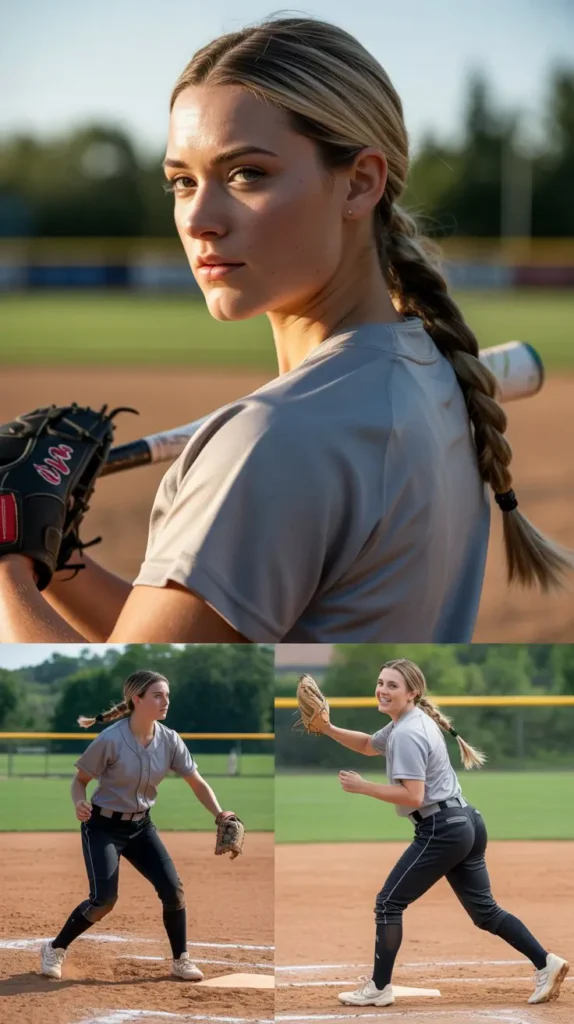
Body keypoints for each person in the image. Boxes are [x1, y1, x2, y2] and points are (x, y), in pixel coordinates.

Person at [1, 16, 571, 645]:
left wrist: (5, 565)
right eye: (183, 181)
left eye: (246, 174)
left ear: (360, 183)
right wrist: (55, 556)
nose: (198, 219)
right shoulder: (438, 378)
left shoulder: (269, 441)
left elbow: (127, 703)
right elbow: (196, 651)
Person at [319, 658, 570, 1007]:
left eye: (392, 685)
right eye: (381, 683)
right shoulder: (409, 722)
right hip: (465, 820)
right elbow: (367, 745)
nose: (382, 690)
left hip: (442, 829)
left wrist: (364, 787)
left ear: (412, 692)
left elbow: (413, 796)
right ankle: (546, 963)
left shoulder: (407, 733)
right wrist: (327, 728)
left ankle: (378, 987)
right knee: (485, 912)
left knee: (389, 903)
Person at [40, 669, 239, 982]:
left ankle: (181, 960)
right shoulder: (110, 740)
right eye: (158, 695)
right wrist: (79, 802)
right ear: (137, 699)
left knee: (172, 890)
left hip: (141, 827)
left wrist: (220, 813)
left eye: (167, 695)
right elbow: (80, 781)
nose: (165, 701)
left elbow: (196, 781)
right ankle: (55, 948)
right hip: (102, 826)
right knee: (104, 900)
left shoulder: (170, 739)